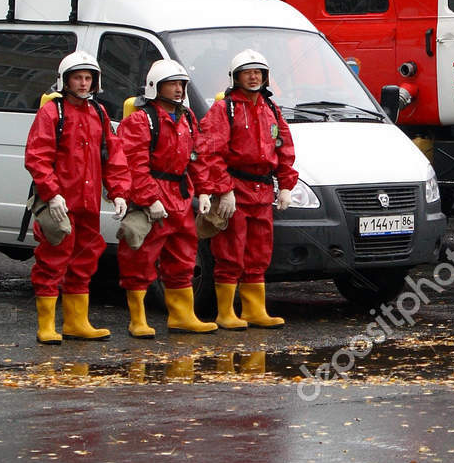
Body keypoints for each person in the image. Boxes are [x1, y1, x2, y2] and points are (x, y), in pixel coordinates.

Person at [23, 51, 131, 343]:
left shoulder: (98, 112)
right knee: (52, 258)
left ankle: (75, 322)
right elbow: (37, 156)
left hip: (88, 202)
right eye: (77, 78)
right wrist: (52, 193)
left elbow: (113, 154)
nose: (83, 84)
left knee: (85, 258)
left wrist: (119, 191)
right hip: (60, 203)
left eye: (87, 78)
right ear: (65, 81)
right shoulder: (52, 112)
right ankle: (46, 325)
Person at [197, 49, 299, 329]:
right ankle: (226, 312)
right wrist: (224, 189)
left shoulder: (271, 109)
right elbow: (210, 151)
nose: (253, 77)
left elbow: (284, 149)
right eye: (247, 72)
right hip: (236, 189)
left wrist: (286, 185)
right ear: (236, 77)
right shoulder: (225, 109)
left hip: (262, 191)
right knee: (230, 250)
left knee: (259, 251)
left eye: (258, 72)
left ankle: (255, 310)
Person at [117, 59, 216, 336]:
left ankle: (182, 316)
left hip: (180, 196)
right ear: (154, 87)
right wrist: (149, 197)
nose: (178, 89)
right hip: (156, 196)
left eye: (181, 84)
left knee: (184, 257)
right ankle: (138, 319)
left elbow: (197, 157)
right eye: (171, 84)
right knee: (140, 256)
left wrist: (205, 189)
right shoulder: (140, 120)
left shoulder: (186, 118)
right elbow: (133, 163)